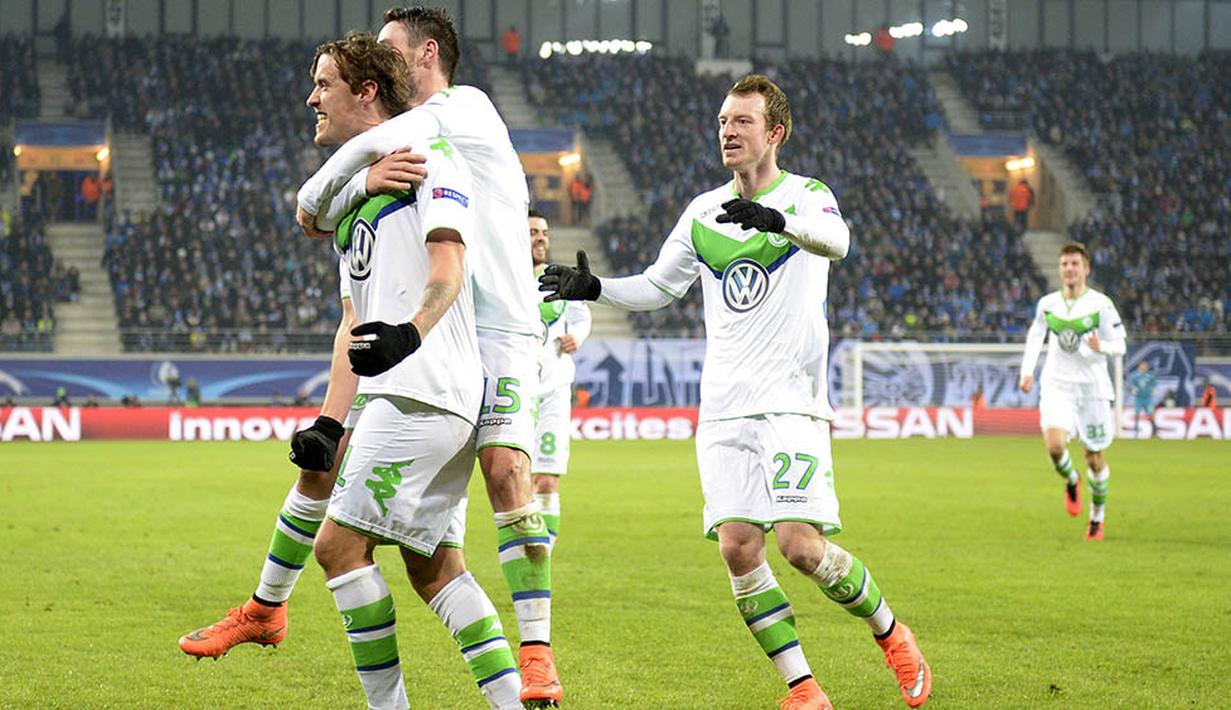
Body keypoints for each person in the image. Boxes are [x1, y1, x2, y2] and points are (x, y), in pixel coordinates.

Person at [539, 74, 931, 710]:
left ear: (774, 132)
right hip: (722, 406)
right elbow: (659, 287)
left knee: (800, 546)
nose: (728, 129)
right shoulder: (702, 212)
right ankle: (803, 689)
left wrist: (779, 220)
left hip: (791, 400)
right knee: (738, 547)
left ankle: (891, 634)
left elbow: (839, 242)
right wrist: (596, 289)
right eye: (724, 119)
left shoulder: (808, 196)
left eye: (743, 121)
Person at [182, 33, 524, 710]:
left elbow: (448, 269)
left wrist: (409, 334)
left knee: (338, 549)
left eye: (323, 84)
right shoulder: (355, 195)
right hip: (398, 392)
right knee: (433, 567)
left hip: (425, 391)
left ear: (365, 92)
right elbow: (351, 321)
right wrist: (329, 420)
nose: (311, 97)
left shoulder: (434, 160)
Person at [295, 8, 559, 706]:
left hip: (500, 335)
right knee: (430, 561)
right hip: (457, 336)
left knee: (506, 473)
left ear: (428, 55)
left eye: (387, 54)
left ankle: (538, 651)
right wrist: (349, 192)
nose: (376, 68)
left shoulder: (457, 109)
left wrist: (325, 194)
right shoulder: (415, 152)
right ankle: (510, 694)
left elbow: (328, 185)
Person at [1019, 242, 1126, 541]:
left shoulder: (1101, 305)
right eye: (1065, 264)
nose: (1069, 269)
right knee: (1055, 447)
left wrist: (1101, 346)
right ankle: (1072, 479)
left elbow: (1121, 344)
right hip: (1057, 384)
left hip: (1092, 388)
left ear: (1086, 269)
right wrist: (1027, 371)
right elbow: (1035, 335)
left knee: (1094, 456)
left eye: (1075, 264)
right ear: (1060, 269)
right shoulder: (1047, 304)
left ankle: (1096, 519)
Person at [530, 209, 591, 544]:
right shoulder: (505, 280)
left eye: (545, 232)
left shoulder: (562, 278)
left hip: (554, 390)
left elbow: (581, 318)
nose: (541, 238)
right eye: (533, 232)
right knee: (516, 481)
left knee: (547, 480)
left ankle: (543, 554)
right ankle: (527, 546)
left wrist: (576, 338)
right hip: (516, 393)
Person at [1128, 359, 1156, 438]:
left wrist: (1153, 391)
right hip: (1139, 399)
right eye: (1142, 365)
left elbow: (1154, 386)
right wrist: (1133, 391)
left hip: (1148, 399)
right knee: (1137, 414)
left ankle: (1154, 431)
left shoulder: (1150, 376)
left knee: (1151, 414)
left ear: (1147, 367)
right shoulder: (1136, 377)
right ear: (1139, 367)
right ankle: (1136, 432)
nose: (1143, 367)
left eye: (1145, 365)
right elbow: (1133, 388)